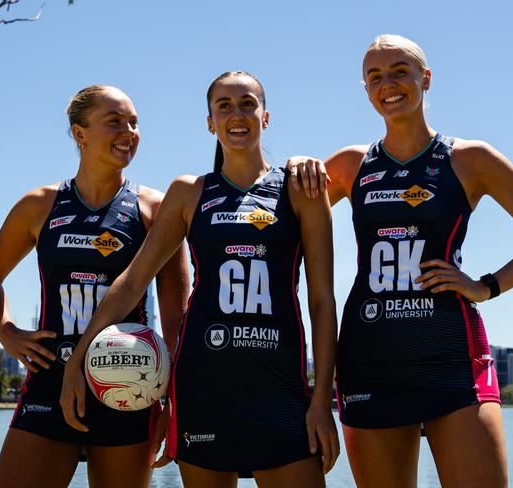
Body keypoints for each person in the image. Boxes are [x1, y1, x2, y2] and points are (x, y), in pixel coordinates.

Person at [287, 34, 513, 488]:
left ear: (426, 79)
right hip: (368, 359)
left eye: (400, 71)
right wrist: (298, 164)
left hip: (451, 356)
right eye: (375, 77)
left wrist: (486, 286)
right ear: (366, 89)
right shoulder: (351, 165)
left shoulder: (470, 159)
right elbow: (279, 222)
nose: (388, 84)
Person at [60, 71, 340, 487]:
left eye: (247, 103)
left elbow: (322, 301)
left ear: (266, 117)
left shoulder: (301, 190)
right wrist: (77, 361)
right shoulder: (190, 193)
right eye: (223, 106)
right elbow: (134, 280)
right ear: (210, 122)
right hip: (203, 391)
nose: (236, 114)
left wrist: (321, 401)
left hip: (281, 390)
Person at [0, 84, 190, 488]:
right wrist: (9, 333)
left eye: (134, 123)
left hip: (129, 383)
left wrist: (172, 399)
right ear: (80, 133)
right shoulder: (39, 205)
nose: (129, 131)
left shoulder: (155, 210)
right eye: (115, 122)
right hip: (50, 379)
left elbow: (177, 320)